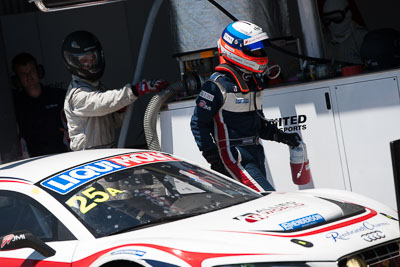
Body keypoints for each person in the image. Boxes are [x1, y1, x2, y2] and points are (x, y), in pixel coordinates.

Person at [190, 20, 301, 192]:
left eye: (259, 48)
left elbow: (259, 124)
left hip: (255, 152)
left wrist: (283, 137)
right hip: (234, 155)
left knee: (258, 205)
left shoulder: (253, 81)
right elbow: (198, 123)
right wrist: (213, 158)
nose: (259, 53)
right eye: (253, 49)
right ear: (235, 50)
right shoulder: (216, 85)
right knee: (268, 199)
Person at [61, 30, 139, 151]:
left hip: (106, 153)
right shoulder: (76, 94)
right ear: (73, 62)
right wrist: (133, 91)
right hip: (87, 158)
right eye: (84, 60)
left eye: (93, 58)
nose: (90, 63)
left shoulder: (97, 87)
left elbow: (112, 123)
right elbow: (100, 103)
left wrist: (120, 110)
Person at [12, 52, 69, 157]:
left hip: (63, 155)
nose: (29, 76)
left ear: (39, 72)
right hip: (34, 162)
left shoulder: (58, 95)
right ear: (17, 79)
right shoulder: (15, 105)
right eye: (23, 74)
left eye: (31, 71)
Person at [322, 0, 368, 65]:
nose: (332, 24)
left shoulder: (363, 38)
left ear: (347, 14)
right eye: (327, 20)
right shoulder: (324, 41)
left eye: (336, 18)